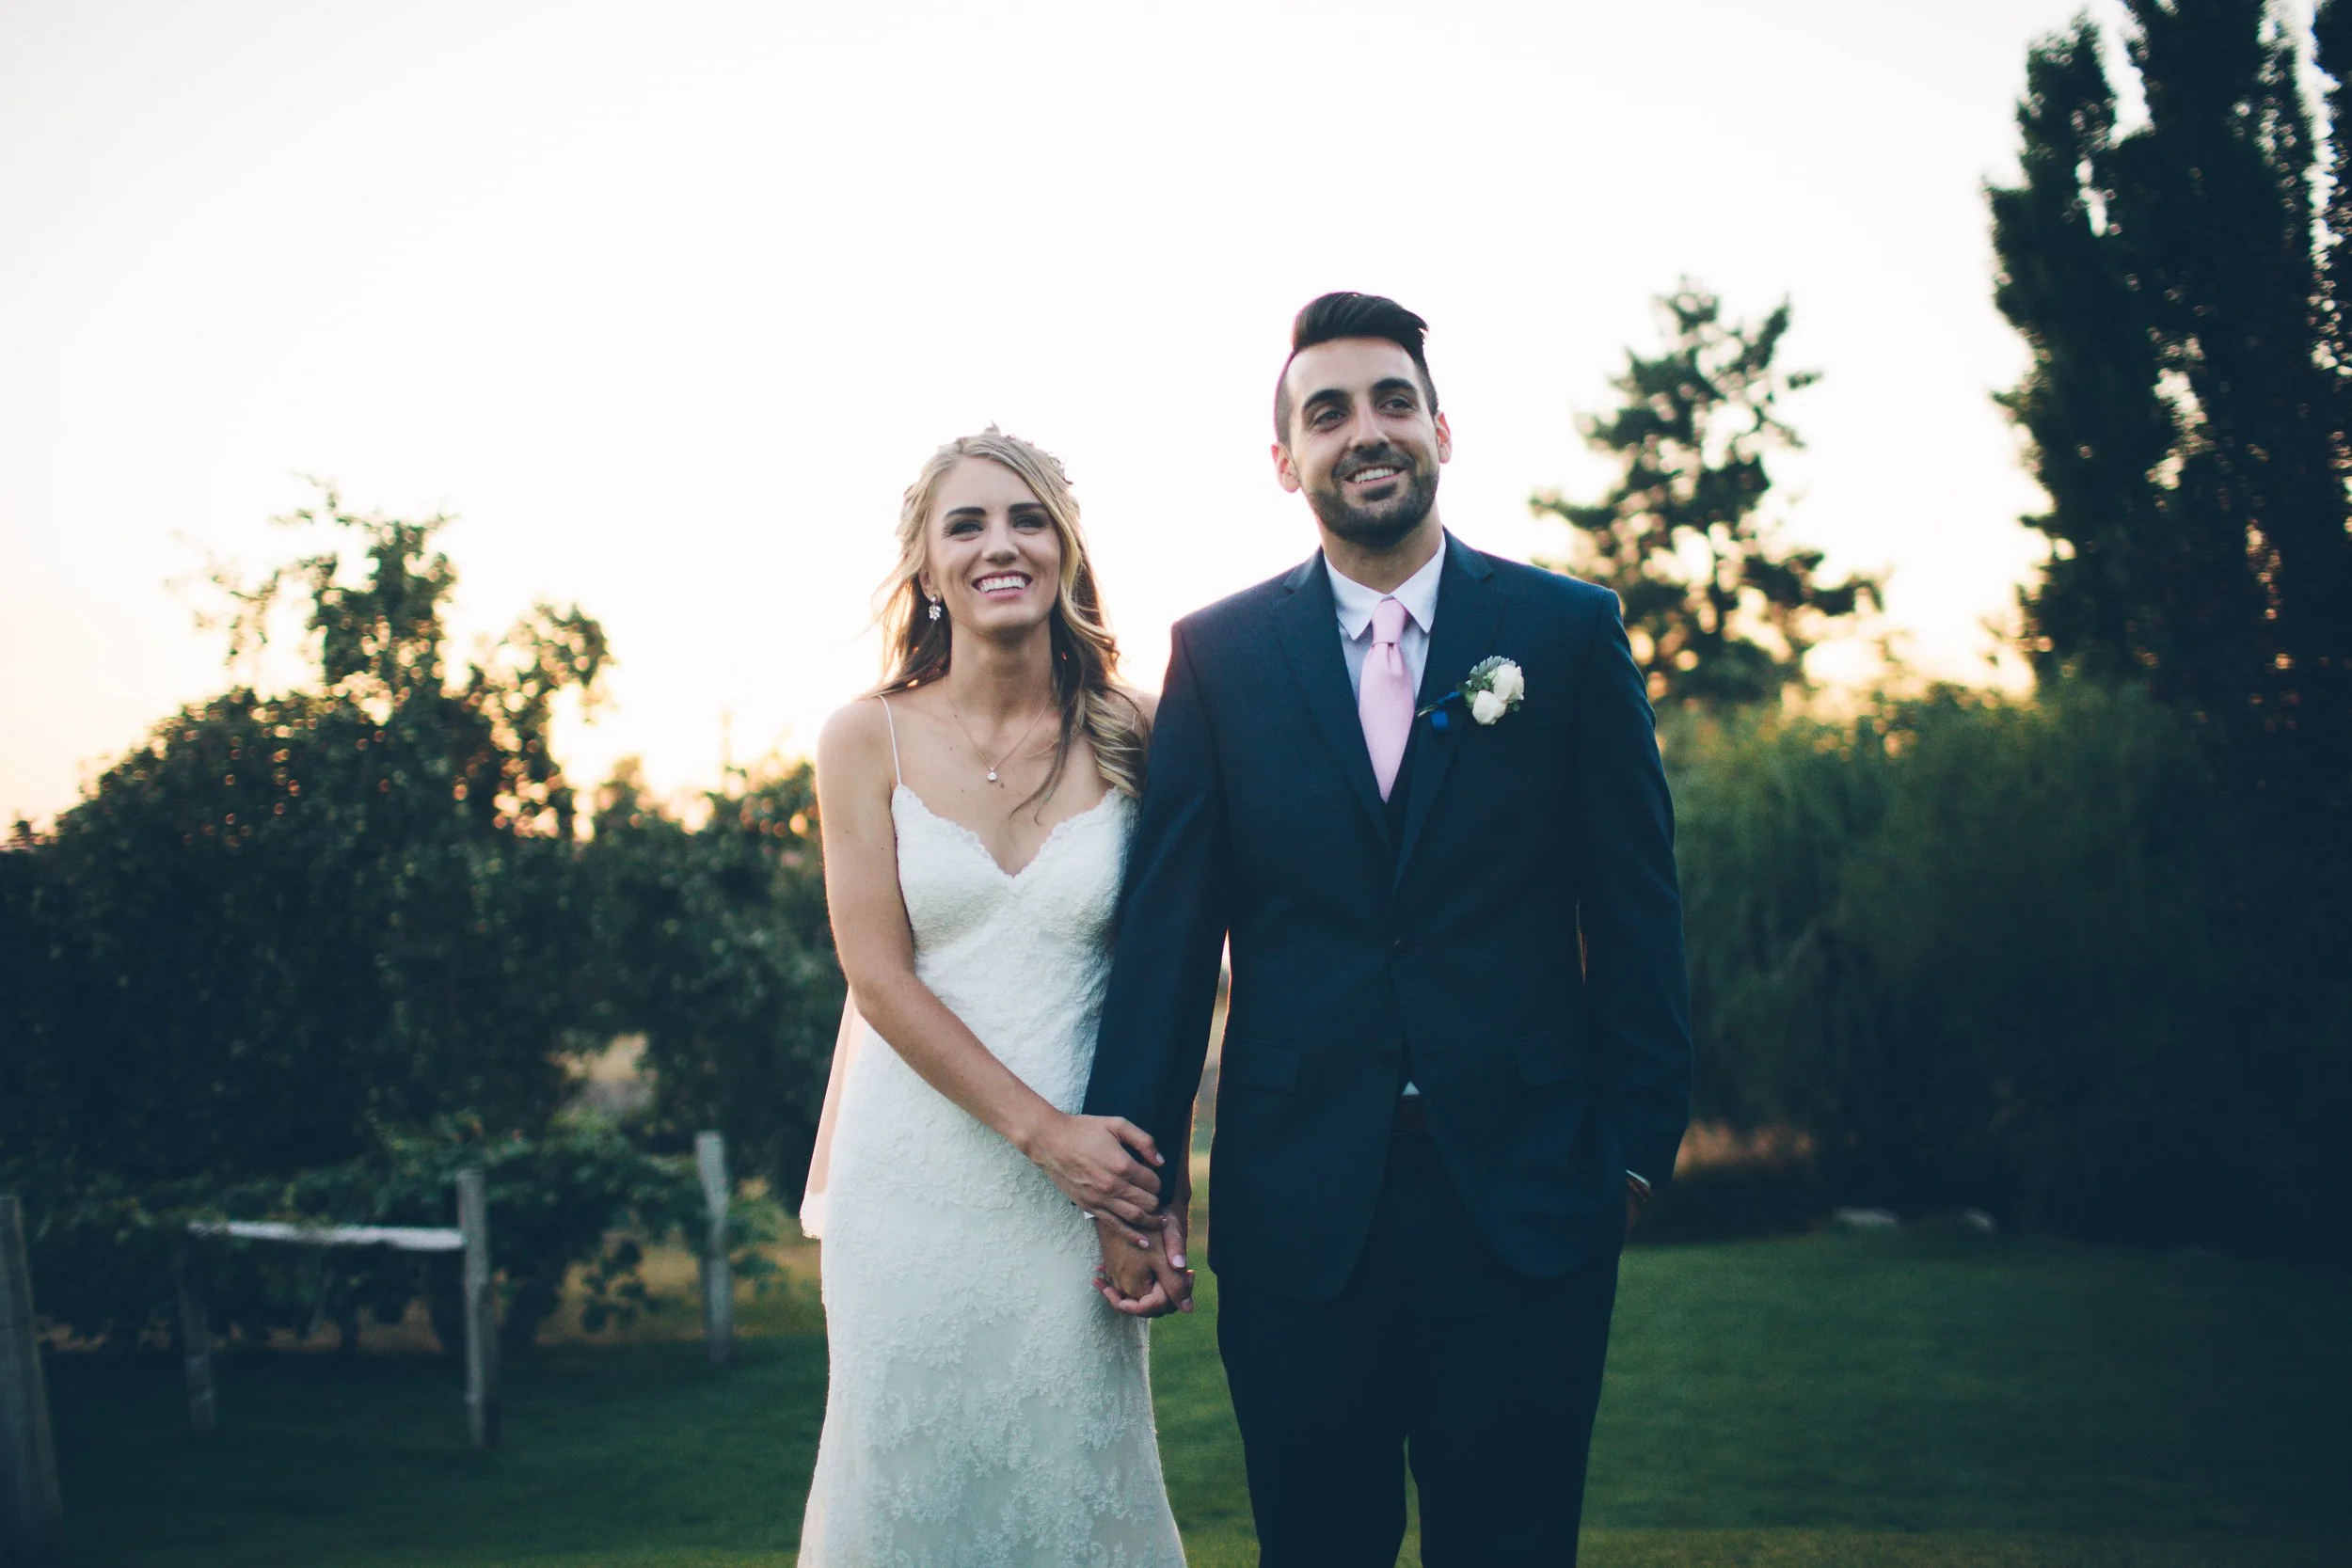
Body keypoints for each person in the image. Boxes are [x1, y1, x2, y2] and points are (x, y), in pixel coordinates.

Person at [1084, 293, 1693, 1565]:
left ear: (1441, 429)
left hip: (1527, 1199)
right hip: (1301, 1207)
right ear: (1285, 460)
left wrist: (1632, 1154)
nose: (1367, 430)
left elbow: (1637, 908)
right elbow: (1171, 940)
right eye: (1329, 411)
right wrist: (1139, 1183)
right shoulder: (1220, 655)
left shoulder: (1566, 633)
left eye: (1392, 400)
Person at [797, 429, 1185, 1566]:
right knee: (910, 1497)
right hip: (913, 1185)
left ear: (1064, 548)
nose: (998, 545)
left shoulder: (1143, 729)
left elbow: (1175, 979)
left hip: (1083, 1198)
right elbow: (876, 975)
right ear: (923, 563)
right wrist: (1043, 1135)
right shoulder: (861, 737)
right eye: (965, 524)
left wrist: (1137, 1195)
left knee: (1075, 1490)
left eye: (1025, 519)